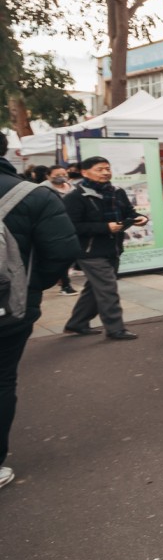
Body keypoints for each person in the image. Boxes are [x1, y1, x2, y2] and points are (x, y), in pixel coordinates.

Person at [0, 139, 80, 490]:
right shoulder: (32, 196)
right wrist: (29, 287)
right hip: (8, 307)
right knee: (2, 379)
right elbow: (62, 252)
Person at [62, 156, 146, 340]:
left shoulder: (116, 192)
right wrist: (105, 227)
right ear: (85, 172)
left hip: (113, 248)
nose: (106, 172)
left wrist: (140, 218)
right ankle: (116, 329)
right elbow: (72, 226)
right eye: (100, 169)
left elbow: (129, 213)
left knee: (94, 288)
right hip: (89, 251)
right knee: (108, 289)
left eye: (107, 168)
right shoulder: (74, 197)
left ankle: (76, 323)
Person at [41, 167, 78, 295]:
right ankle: (65, 284)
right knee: (62, 255)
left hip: (74, 224)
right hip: (55, 227)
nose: (61, 176)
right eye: (57, 175)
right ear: (48, 176)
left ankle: (63, 279)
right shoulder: (42, 190)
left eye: (64, 174)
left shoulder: (73, 189)